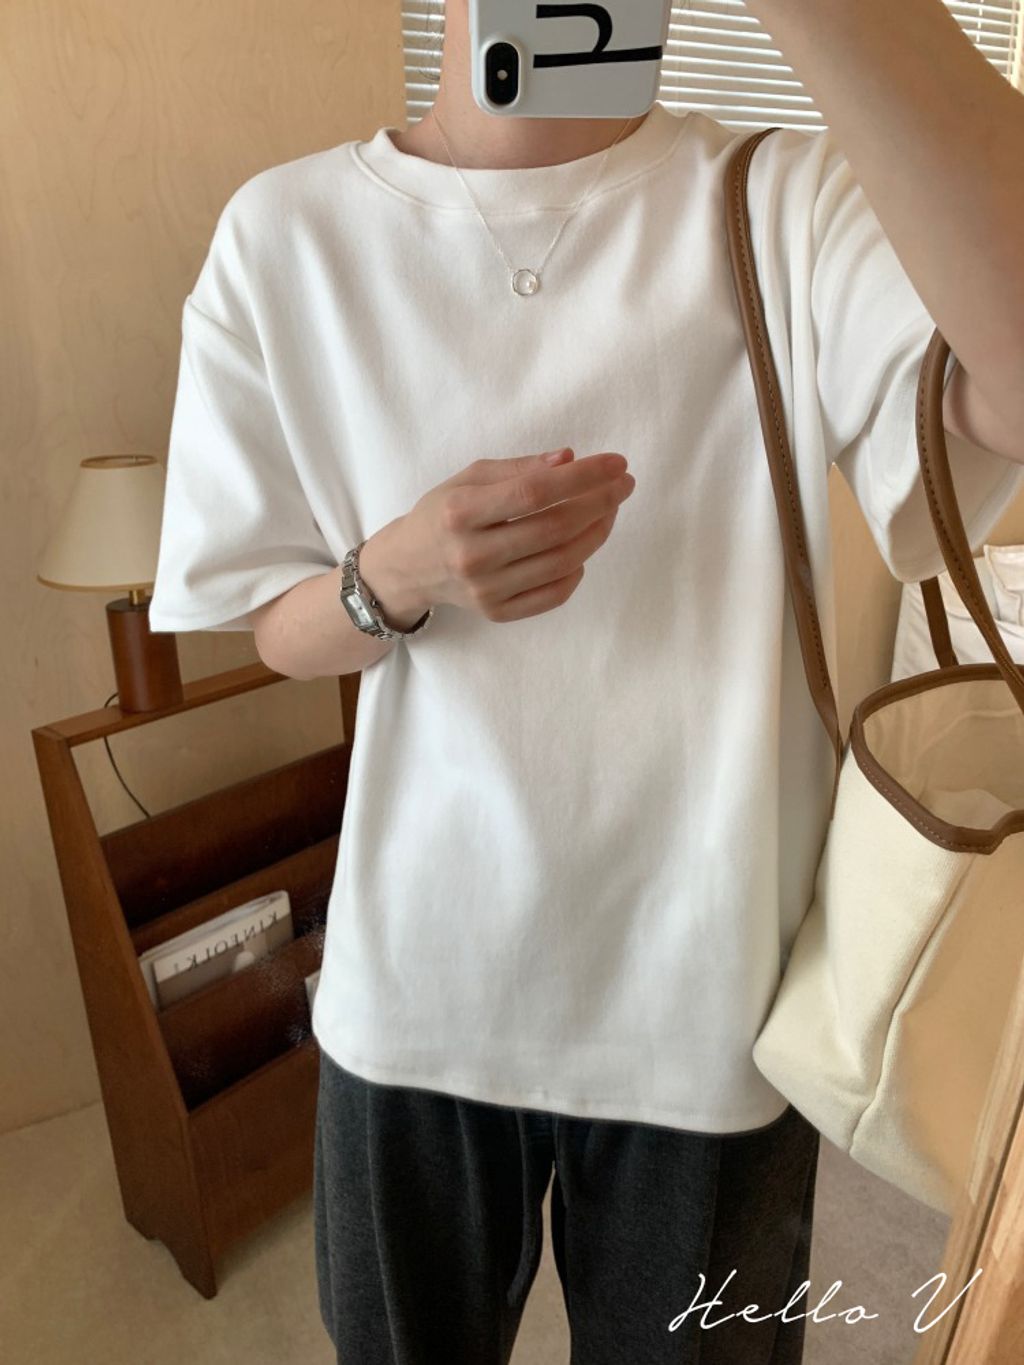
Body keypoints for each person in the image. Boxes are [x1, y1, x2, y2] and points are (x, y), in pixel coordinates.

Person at [147, 3, 1024, 1362]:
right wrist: (398, 570)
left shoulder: (787, 205)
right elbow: (269, 622)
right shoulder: (287, 237)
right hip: (415, 991)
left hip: (708, 1006)